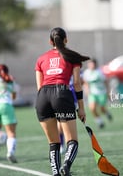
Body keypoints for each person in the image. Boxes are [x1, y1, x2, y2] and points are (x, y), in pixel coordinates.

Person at [35, 27, 89, 176]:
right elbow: (77, 83)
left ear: (50, 41)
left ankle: (56, 173)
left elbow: (39, 87)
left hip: (42, 97)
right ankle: (66, 166)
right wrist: (81, 108)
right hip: (62, 93)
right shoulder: (72, 57)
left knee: (53, 143)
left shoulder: (41, 59)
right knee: (72, 141)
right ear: (66, 40)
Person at [83, 58, 113, 129]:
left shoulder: (99, 72)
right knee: (92, 108)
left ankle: (107, 113)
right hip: (92, 93)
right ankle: (100, 122)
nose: (91, 65)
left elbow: (106, 82)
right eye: (89, 64)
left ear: (95, 64)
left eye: (92, 64)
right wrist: (87, 91)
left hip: (101, 93)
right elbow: (86, 83)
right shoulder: (86, 73)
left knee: (102, 109)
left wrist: (108, 92)